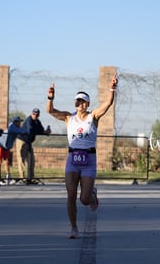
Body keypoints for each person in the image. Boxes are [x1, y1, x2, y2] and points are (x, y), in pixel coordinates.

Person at [46, 74, 118, 239]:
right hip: (72, 159)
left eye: (81, 101)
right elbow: (50, 110)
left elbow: (107, 104)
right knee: (70, 194)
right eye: (76, 101)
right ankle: (74, 228)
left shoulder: (93, 117)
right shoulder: (68, 117)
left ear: (87, 104)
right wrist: (50, 97)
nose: (78, 103)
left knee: (84, 200)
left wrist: (111, 88)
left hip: (89, 160)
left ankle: (91, 195)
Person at [16, 108, 51, 185]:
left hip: (28, 142)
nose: (35, 115)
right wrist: (41, 131)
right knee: (21, 160)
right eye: (34, 114)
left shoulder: (37, 121)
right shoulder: (29, 120)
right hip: (22, 141)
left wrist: (46, 132)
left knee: (31, 161)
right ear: (31, 113)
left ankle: (30, 178)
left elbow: (41, 130)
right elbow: (30, 130)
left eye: (37, 114)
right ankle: (23, 178)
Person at [0, 116, 29, 185]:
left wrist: (25, 131)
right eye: (19, 122)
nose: (20, 123)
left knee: (6, 161)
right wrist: (27, 131)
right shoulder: (12, 127)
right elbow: (20, 131)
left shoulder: (16, 128)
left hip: (6, 146)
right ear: (15, 122)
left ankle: (8, 177)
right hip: (0, 144)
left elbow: (21, 131)